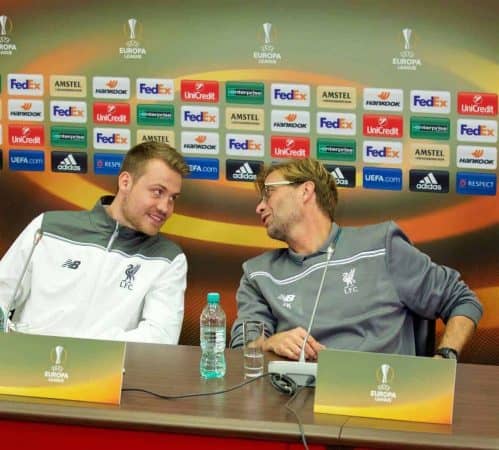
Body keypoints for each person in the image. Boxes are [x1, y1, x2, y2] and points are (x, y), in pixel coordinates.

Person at [230, 158, 482, 361]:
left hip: (380, 403)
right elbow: (242, 348)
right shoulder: (258, 274)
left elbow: (461, 299)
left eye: (268, 193)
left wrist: (445, 357)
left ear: (306, 191)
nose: (259, 207)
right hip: (295, 405)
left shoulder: (382, 246)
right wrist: (269, 342)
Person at [0, 141, 189, 344]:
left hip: (107, 373)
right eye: (158, 192)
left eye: (172, 198)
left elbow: (161, 339)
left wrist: (83, 350)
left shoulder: (168, 258)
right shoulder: (49, 226)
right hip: (27, 368)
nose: (165, 207)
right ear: (125, 182)